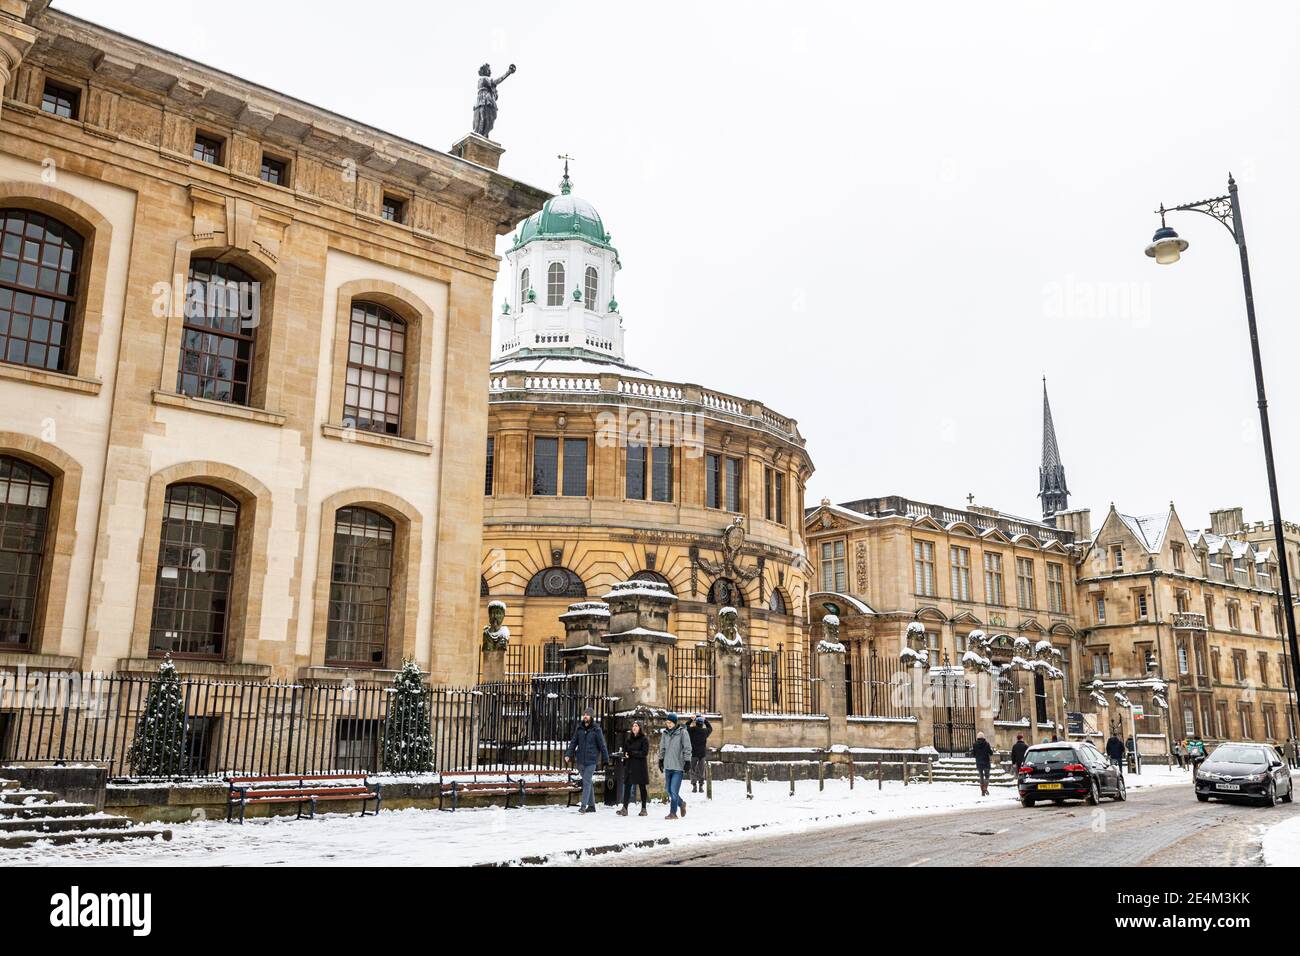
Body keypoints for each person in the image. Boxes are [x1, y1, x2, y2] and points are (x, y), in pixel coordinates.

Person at [565, 707, 608, 813]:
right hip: (580, 761)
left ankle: (583, 806)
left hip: (591, 761)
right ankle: (592, 806)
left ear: (591, 716)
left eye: (587, 714)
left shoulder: (596, 729)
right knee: (588, 782)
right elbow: (573, 743)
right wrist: (568, 754)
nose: (585, 716)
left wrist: (605, 759)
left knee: (586, 781)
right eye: (584, 714)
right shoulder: (579, 729)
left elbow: (602, 745)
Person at [659, 712, 693, 819]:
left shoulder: (682, 732)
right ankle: (681, 803)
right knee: (668, 790)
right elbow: (662, 748)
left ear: (674, 722)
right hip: (668, 766)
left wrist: (687, 761)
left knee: (673, 790)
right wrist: (661, 760)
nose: (668, 724)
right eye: (667, 722)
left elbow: (687, 747)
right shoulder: (665, 733)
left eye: (670, 722)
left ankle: (673, 813)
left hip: (678, 766)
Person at [617, 720, 649, 816]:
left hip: (640, 767)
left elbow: (644, 753)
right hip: (630, 766)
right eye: (633, 726)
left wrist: (632, 753)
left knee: (642, 787)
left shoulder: (644, 739)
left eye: (636, 726)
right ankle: (625, 808)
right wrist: (625, 754)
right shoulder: (628, 740)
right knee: (627, 786)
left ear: (640, 728)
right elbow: (626, 751)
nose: (634, 727)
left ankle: (644, 808)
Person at [687, 714, 712, 793]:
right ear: (702, 723)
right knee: (701, 770)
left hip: (693, 753)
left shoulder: (691, 730)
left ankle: (694, 785)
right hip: (702, 754)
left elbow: (685, 726)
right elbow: (710, 728)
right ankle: (701, 786)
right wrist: (705, 720)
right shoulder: (705, 731)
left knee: (692, 769)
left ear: (696, 722)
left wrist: (691, 719)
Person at [969, 731, 995, 796]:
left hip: (979, 763)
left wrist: (977, 756)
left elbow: (973, 754)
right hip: (986, 763)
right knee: (987, 777)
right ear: (983, 737)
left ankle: (982, 792)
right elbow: (991, 753)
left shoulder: (974, 745)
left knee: (981, 777)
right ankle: (985, 788)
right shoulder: (987, 744)